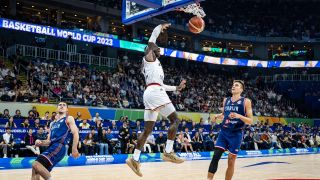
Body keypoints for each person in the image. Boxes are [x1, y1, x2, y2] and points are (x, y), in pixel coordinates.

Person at [126, 23, 186, 177]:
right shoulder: (149, 57)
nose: (158, 48)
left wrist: (176, 88)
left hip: (152, 91)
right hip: (154, 92)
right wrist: (160, 27)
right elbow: (151, 41)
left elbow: (161, 85)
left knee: (147, 130)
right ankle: (168, 151)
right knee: (175, 120)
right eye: (156, 47)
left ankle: (134, 159)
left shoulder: (156, 64)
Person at [207, 80, 253, 180]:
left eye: (236, 85)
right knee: (216, 156)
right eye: (233, 85)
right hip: (224, 132)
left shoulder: (246, 101)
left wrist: (239, 115)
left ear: (241, 89)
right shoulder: (226, 100)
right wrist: (217, 116)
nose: (233, 86)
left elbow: (250, 121)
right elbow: (225, 115)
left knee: (231, 161)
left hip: (236, 134)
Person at [31, 102, 80, 180]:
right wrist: (40, 142)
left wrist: (74, 149)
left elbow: (76, 133)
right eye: (60, 105)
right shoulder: (52, 124)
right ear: (57, 108)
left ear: (67, 109)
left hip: (59, 146)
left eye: (64, 105)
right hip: (52, 146)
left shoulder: (69, 118)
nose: (61, 106)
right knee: (35, 169)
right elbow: (48, 141)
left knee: (36, 164)